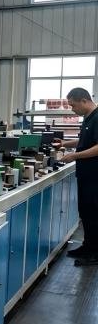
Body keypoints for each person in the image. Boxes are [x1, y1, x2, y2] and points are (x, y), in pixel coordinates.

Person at [58, 88, 98, 265]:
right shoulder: (88, 118)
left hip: (94, 175)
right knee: (86, 212)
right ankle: (88, 246)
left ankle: (94, 253)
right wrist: (64, 144)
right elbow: (84, 141)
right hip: (86, 174)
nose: (72, 109)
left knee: (93, 213)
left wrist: (74, 156)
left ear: (83, 100)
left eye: (73, 105)